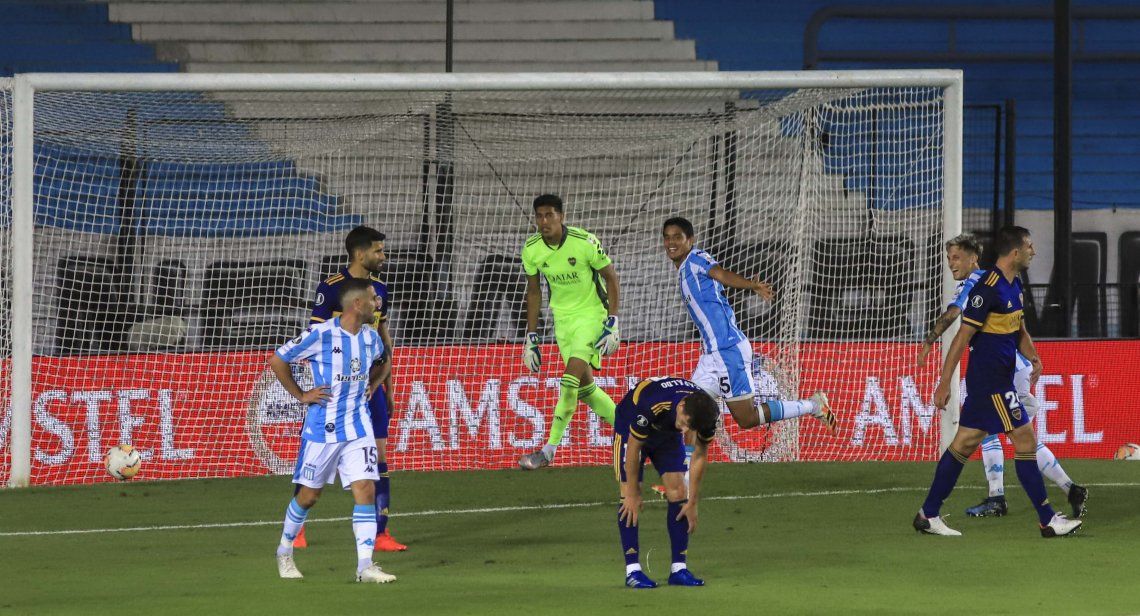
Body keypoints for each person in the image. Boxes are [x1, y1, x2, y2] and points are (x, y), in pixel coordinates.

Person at [914, 226, 1082, 538]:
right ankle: (1047, 519)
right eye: (1029, 246)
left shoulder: (1014, 284)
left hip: (996, 380)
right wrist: (944, 382)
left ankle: (928, 513)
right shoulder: (987, 288)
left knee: (963, 445)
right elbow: (962, 338)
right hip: (991, 383)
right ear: (1015, 252)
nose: (1034, 251)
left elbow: (1019, 329)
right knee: (1025, 441)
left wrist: (1034, 357)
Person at [271, 278, 397, 582]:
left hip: (358, 426)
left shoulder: (371, 338)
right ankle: (284, 552)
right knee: (309, 496)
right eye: (372, 299)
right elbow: (278, 360)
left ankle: (364, 566)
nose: (377, 303)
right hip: (323, 430)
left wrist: (374, 385)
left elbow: (384, 361)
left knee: (366, 488)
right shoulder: (321, 334)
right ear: (356, 304)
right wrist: (302, 395)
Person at [662, 217, 836, 434]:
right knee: (688, 413)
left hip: (728, 350)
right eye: (667, 237)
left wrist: (750, 285)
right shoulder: (683, 271)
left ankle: (813, 405)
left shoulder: (696, 258)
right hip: (711, 355)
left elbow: (721, 273)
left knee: (746, 418)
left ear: (690, 240)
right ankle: (685, 466)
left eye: (677, 237)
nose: (671, 242)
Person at [291, 226, 406, 551]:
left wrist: (389, 388)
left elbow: (385, 341)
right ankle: (297, 529)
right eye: (378, 251)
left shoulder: (380, 289)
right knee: (315, 462)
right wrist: (314, 389)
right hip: (336, 393)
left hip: (371, 390)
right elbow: (316, 343)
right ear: (360, 254)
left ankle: (381, 533)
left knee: (378, 457)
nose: (383, 256)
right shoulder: (331, 290)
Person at [518, 194, 621, 470]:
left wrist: (612, 320)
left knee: (569, 379)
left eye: (550, 215)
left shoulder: (584, 241)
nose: (544, 221)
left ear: (561, 216)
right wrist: (531, 336)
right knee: (585, 390)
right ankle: (635, 428)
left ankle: (548, 450)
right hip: (563, 322)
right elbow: (534, 291)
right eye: (539, 216)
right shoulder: (531, 249)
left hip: (591, 316)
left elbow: (610, 277)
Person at [615, 377, 719, 589]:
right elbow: (634, 447)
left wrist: (693, 499)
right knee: (628, 496)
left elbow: (699, 455)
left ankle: (678, 570)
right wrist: (634, 492)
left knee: (680, 492)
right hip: (630, 427)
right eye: (684, 422)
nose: (684, 429)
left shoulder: (705, 415)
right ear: (681, 407)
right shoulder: (655, 402)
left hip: (666, 435)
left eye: (689, 427)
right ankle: (633, 571)